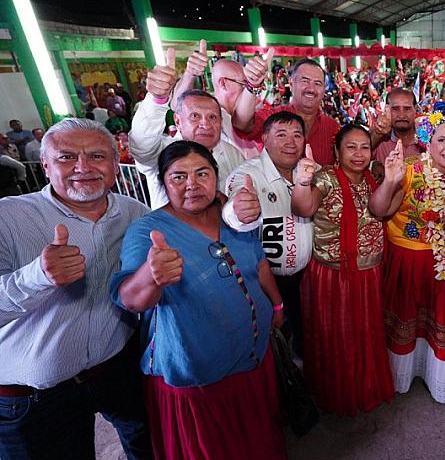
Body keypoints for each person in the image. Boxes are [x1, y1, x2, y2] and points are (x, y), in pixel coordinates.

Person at [111, 141, 286, 459]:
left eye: (202, 173)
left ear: (216, 177)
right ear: (164, 183)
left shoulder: (232, 215)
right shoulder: (146, 232)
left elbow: (258, 264)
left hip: (254, 356)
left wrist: (276, 305)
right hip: (200, 377)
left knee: (257, 435)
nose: (192, 184)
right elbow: (131, 300)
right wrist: (151, 275)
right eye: (178, 176)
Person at [0, 118, 152, 459]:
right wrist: (36, 276)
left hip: (116, 368)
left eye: (97, 156)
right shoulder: (7, 218)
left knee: (148, 445)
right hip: (33, 397)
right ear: (45, 164)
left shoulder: (134, 214)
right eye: (67, 157)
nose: (83, 168)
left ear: (115, 164)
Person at [290, 124, 394, 415]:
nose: (359, 154)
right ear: (337, 151)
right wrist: (302, 181)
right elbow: (303, 209)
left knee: (366, 334)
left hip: (369, 272)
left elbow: (385, 210)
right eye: (351, 147)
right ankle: (338, 394)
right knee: (339, 338)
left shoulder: (374, 178)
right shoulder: (324, 179)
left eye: (364, 147)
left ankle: (365, 388)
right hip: (334, 276)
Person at [369, 105, 445, 404]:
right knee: (404, 318)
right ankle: (402, 377)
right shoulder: (409, 169)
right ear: (427, 140)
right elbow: (379, 210)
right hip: (406, 261)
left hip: (443, 263)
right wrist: (389, 180)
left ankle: (436, 380)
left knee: (438, 321)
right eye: (441, 140)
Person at [222, 111, 313, 358]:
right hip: (265, 283)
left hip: (306, 276)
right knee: (273, 346)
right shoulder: (247, 174)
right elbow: (234, 204)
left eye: (297, 135)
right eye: (281, 134)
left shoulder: (309, 171)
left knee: (306, 340)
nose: (290, 142)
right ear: (264, 138)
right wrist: (238, 211)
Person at [130, 50, 243, 208]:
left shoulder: (232, 153)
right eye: (195, 116)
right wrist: (157, 99)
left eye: (212, 117)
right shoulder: (160, 153)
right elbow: (141, 143)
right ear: (178, 120)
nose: (205, 124)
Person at [232, 58, 340, 165]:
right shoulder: (272, 117)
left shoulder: (332, 127)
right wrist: (252, 85)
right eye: (305, 81)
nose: (311, 89)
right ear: (291, 84)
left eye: (317, 83)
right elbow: (242, 124)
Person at [372, 88, 422, 163]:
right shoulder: (379, 137)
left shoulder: (429, 135)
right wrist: (377, 133)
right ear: (386, 109)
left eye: (407, 109)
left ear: (415, 109)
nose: (401, 115)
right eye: (395, 109)